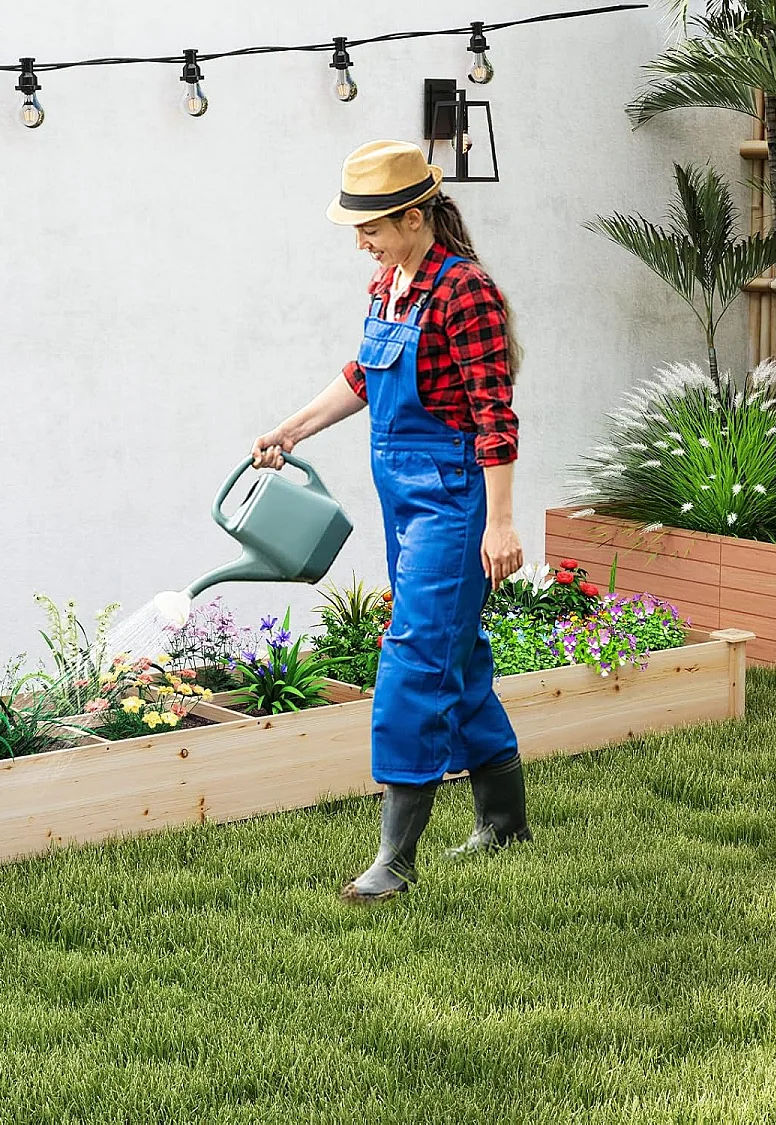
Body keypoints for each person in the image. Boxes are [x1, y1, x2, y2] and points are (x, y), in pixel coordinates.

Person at [251, 139, 532, 904]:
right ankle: (504, 822)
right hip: (404, 503)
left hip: (452, 498)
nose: (360, 241)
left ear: (414, 217)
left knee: (412, 656)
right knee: (457, 653)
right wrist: (292, 429)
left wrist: (498, 524)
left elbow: (493, 415)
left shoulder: (462, 290)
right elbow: (362, 376)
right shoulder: (390, 286)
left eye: (370, 226)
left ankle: (395, 859)